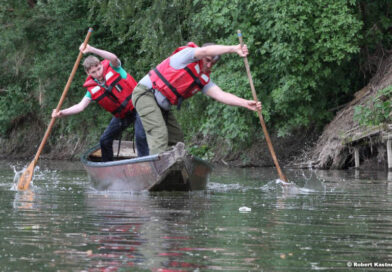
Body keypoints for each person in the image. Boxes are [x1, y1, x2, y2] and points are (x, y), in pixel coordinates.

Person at [131, 42, 262, 155]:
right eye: (208, 60)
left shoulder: (203, 79)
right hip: (146, 94)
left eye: (213, 63)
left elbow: (221, 95)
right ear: (202, 56)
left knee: (177, 139)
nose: (210, 65)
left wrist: (246, 103)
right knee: (160, 135)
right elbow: (205, 51)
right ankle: (156, 171)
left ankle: (173, 173)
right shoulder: (188, 55)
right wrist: (234, 48)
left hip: (162, 104)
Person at [52, 44, 149, 161]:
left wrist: (91, 49)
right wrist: (62, 112)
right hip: (123, 114)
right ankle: (108, 168)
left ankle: (145, 163)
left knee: (140, 136)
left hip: (138, 105)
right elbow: (80, 107)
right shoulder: (92, 89)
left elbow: (113, 58)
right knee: (105, 140)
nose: (98, 74)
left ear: (101, 65)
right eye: (93, 72)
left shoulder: (114, 67)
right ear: (88, 73)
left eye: (99, 69)